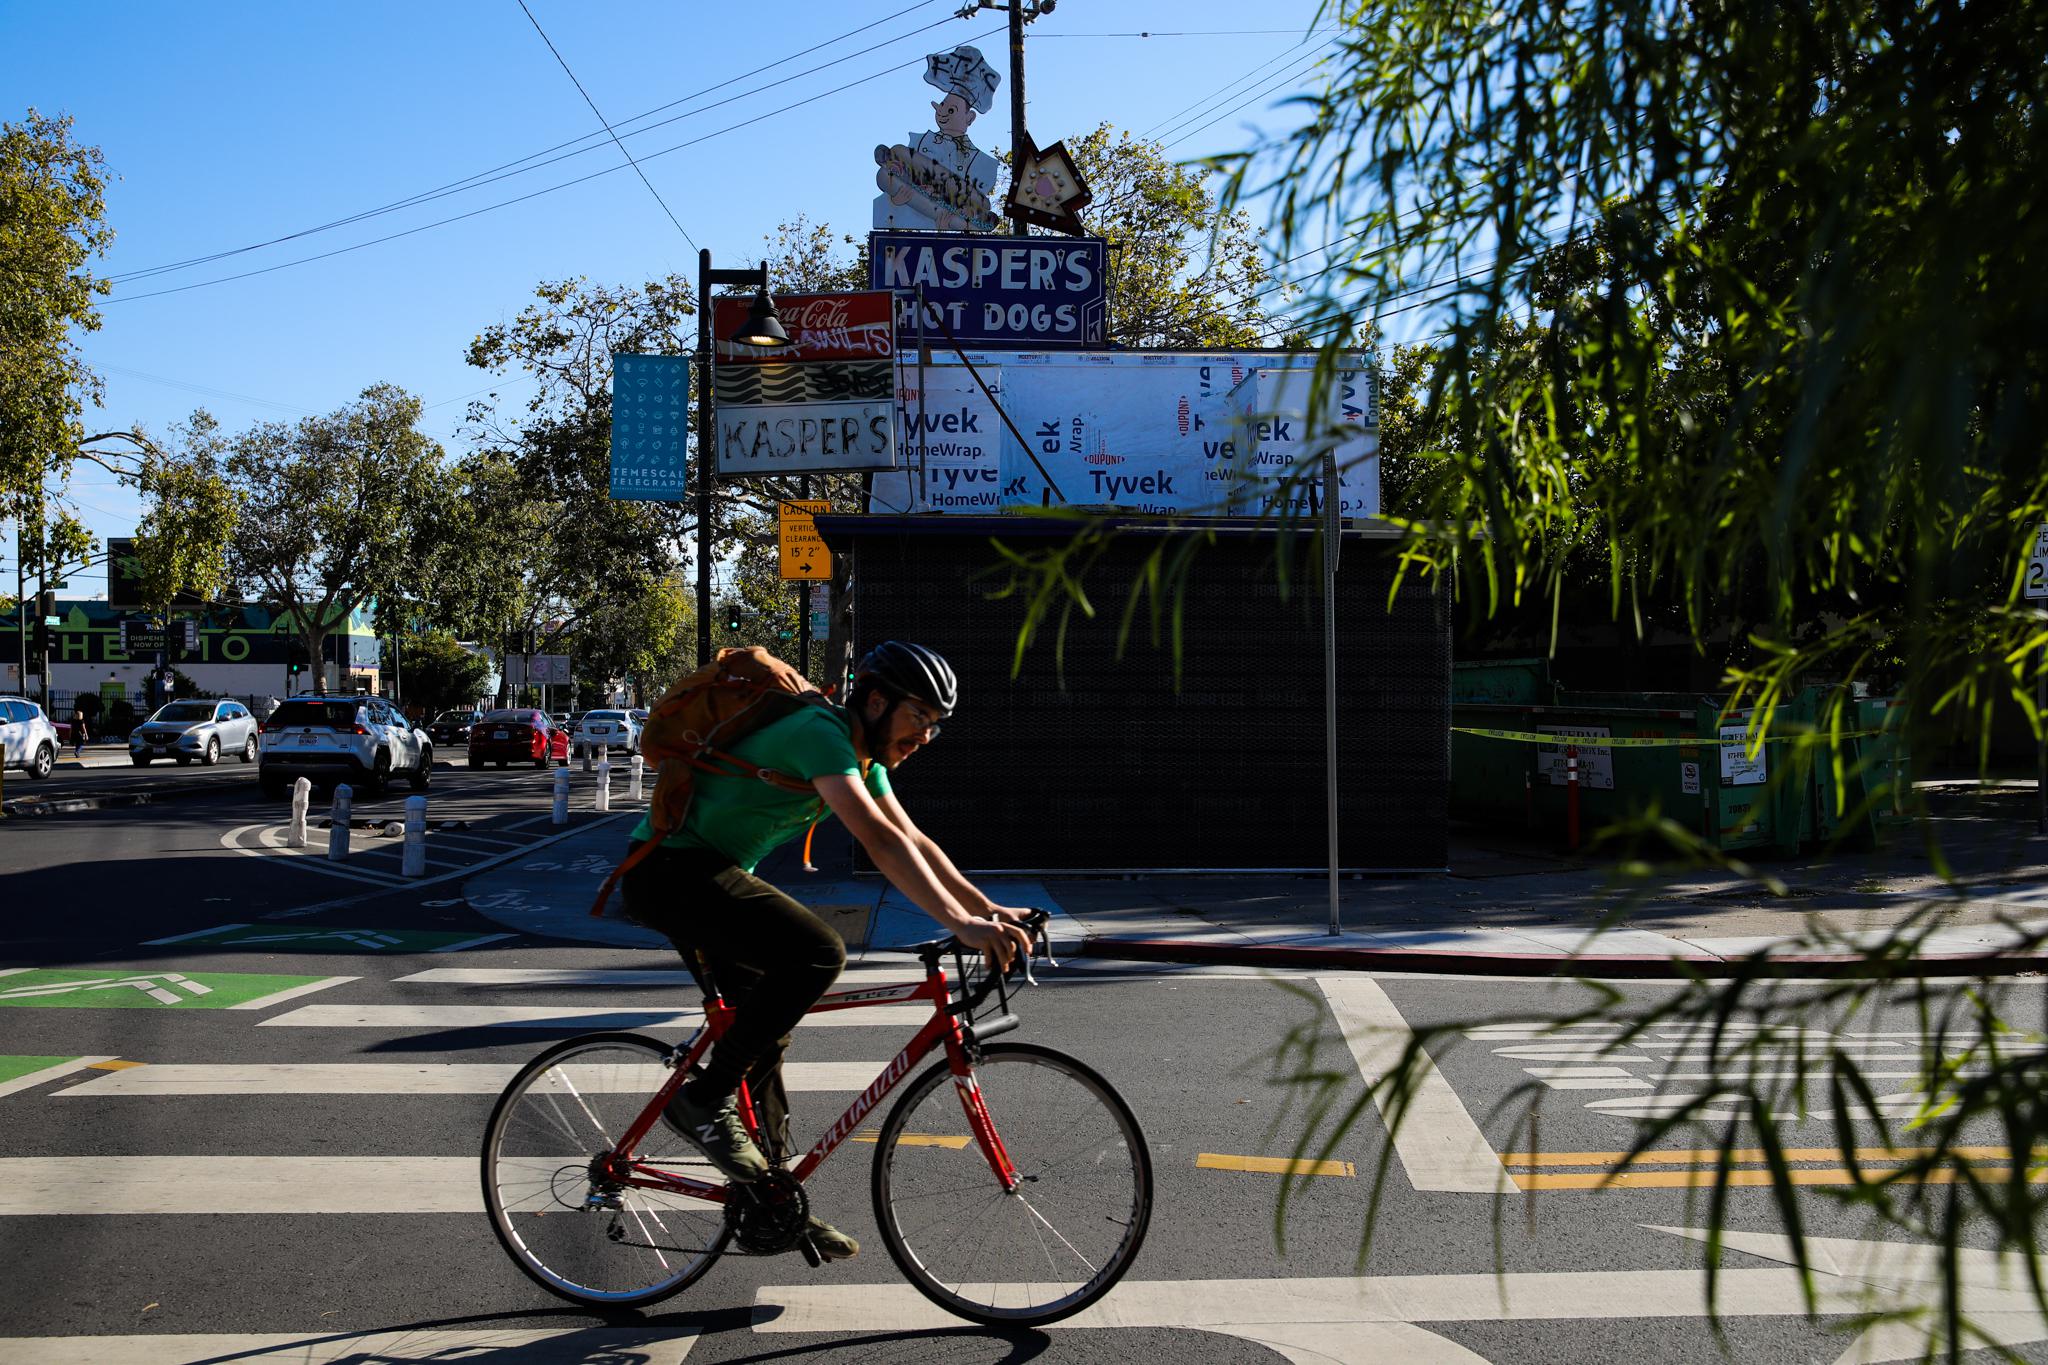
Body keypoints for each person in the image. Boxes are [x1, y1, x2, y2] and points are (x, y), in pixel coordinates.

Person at [620, 641, 1034, 1263]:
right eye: (918, 716)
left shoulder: (864, 757)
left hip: (710, 871)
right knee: (817, 953)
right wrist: (960, 923)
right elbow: (876, 841)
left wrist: (986, 909)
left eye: (935, 724)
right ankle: (702, 1102)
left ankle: (773, 1197)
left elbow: (908, 835)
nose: (925, 734)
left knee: (765, 1031)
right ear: (875, 701)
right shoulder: (820, 733)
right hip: (671, 872)